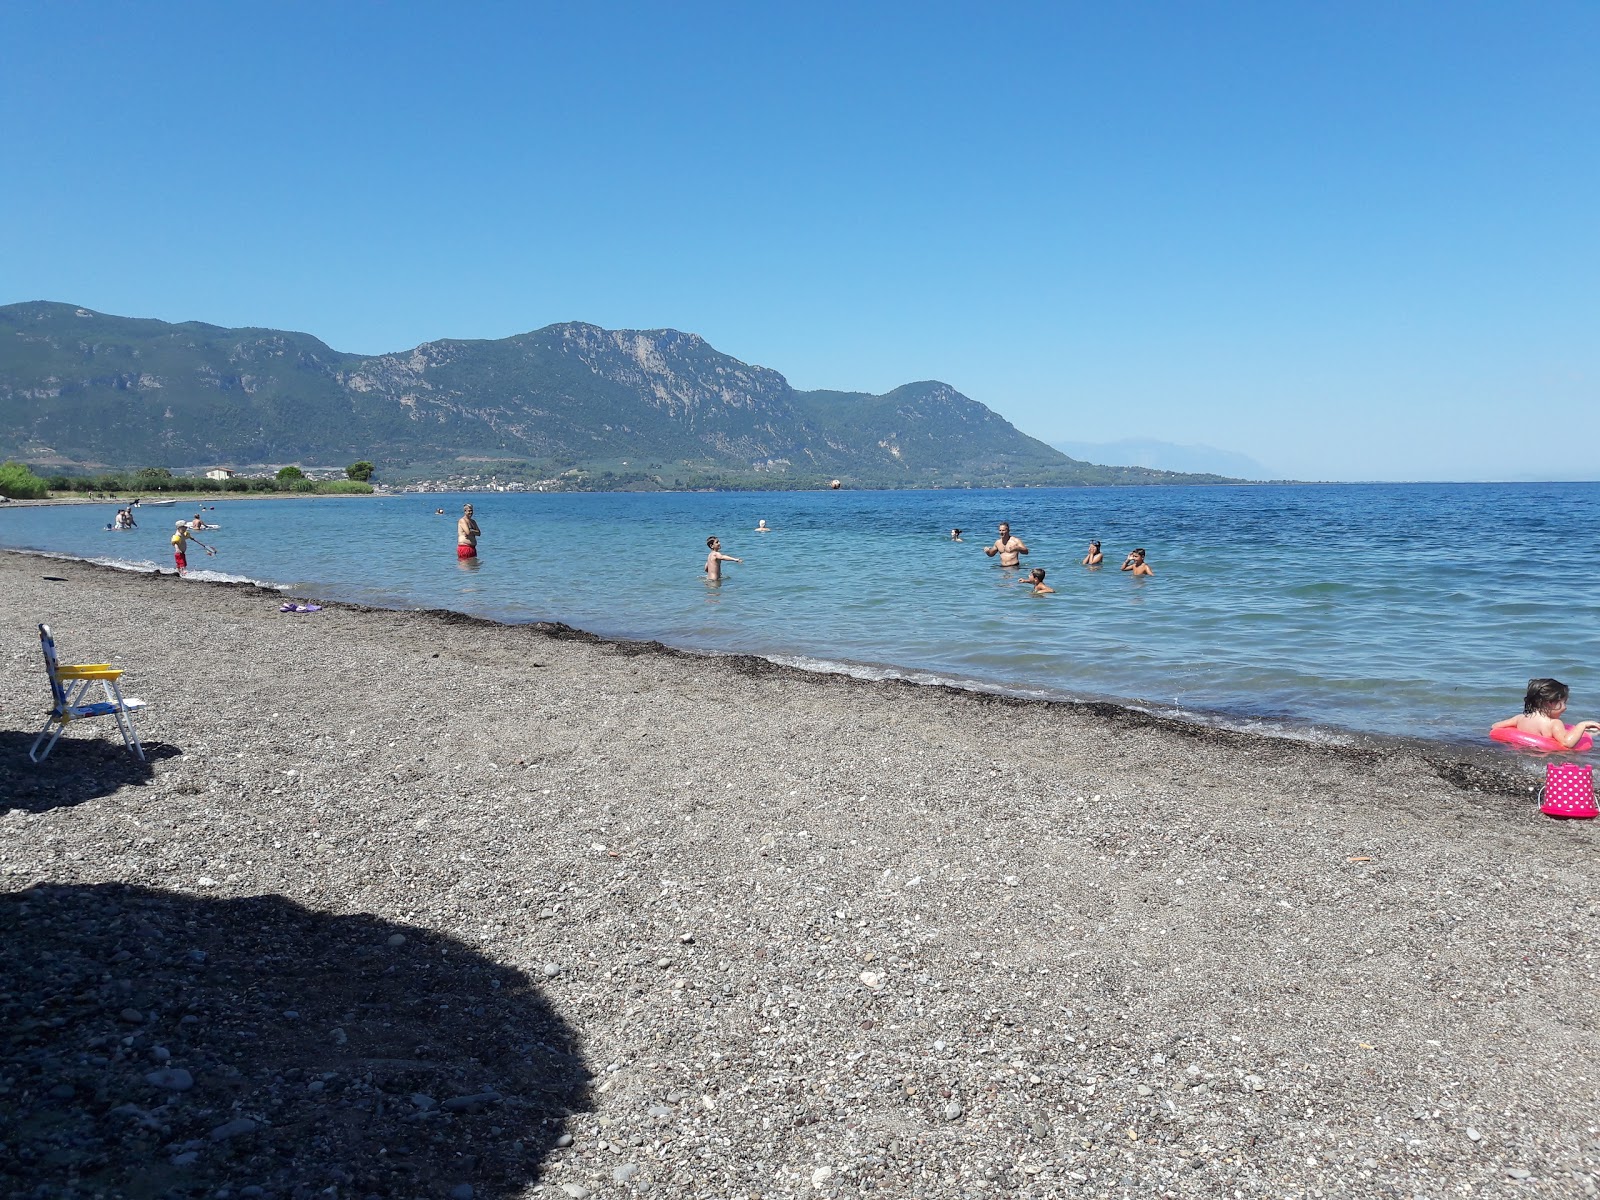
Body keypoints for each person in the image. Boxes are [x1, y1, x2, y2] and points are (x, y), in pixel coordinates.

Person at [1492, 679, 1600, 750]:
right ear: (1550, 703)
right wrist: (1581, 725)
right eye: (1563, 703)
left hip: (1525, 753)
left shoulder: (1520, 718)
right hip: (1547, 758)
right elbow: (1567, 743)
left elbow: (1495, 727)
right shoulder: (1554, 723)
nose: (1565, 708)